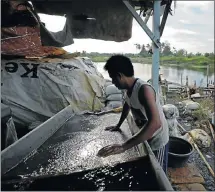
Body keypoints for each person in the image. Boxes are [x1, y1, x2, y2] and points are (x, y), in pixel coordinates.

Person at [97, 55, 169, 173]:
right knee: (148, 169)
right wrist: (118, 125)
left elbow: (155, 124)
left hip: (157, 139)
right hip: (147, 135)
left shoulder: (144, 90)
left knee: (159, 173)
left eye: (113, 79)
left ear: (120, 76)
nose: (113, 83)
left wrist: (124, 146)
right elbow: (127, 105)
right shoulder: (128, 89)